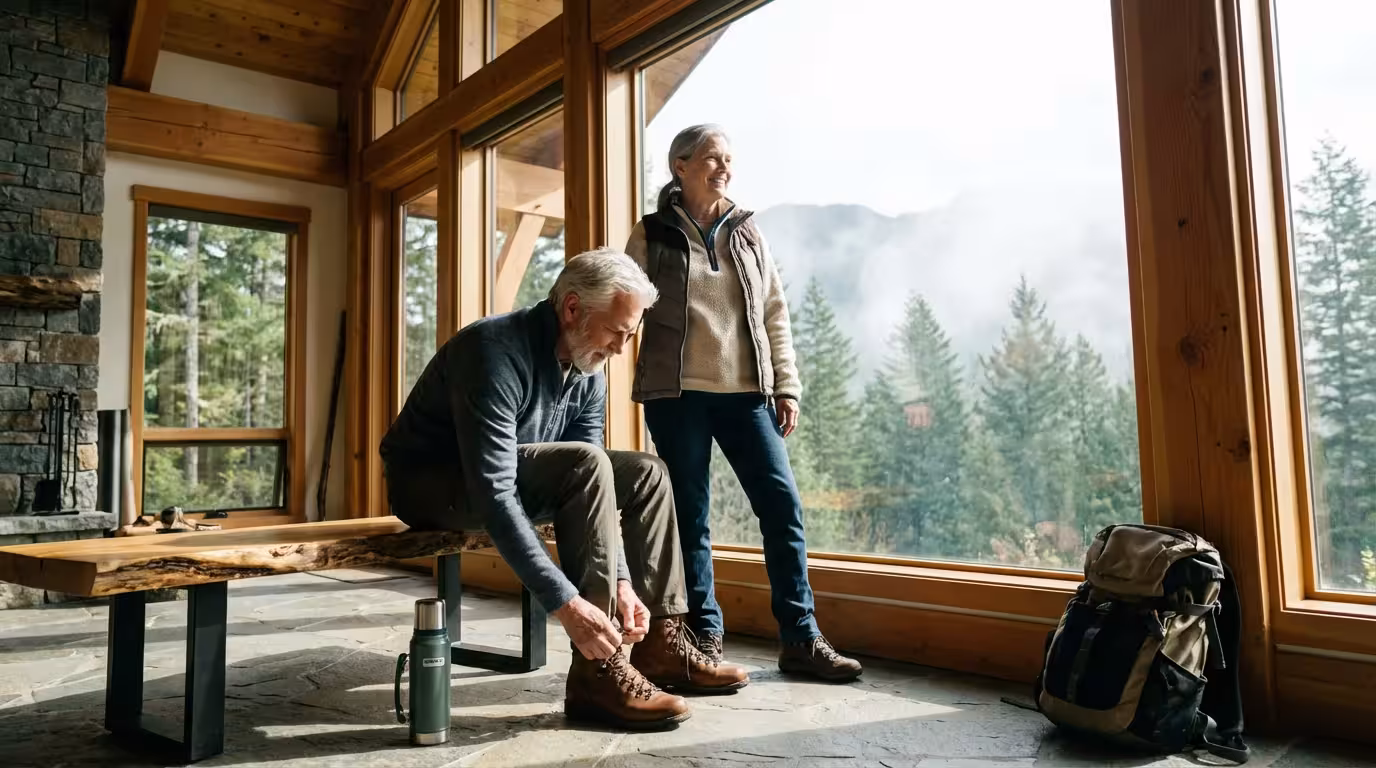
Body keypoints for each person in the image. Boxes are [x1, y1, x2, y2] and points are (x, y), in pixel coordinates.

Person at [379, 247, 749, 731]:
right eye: (618, 331)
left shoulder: (587, 368)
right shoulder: (491, 350)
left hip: (509, 476)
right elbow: (494, 490)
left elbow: (599, 484)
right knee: (584, 461)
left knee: (646, 472)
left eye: (629, 335)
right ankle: (597, 675)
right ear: (572, 308)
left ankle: (661, 644)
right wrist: (567, 603)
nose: (621, 348)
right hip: (432, 484)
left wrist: (620, 583)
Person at [624, 124, 863, 682]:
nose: (724, 167)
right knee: (690, 518)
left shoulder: (749, 231)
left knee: (782, 509)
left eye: (728, 158)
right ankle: (703, 635)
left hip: (747, 394)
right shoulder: (652, 233)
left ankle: (800, 638)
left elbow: (773, 312)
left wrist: (787, 385)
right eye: (712, 158)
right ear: (680, 167)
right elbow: (626, 301)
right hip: (675, 394)